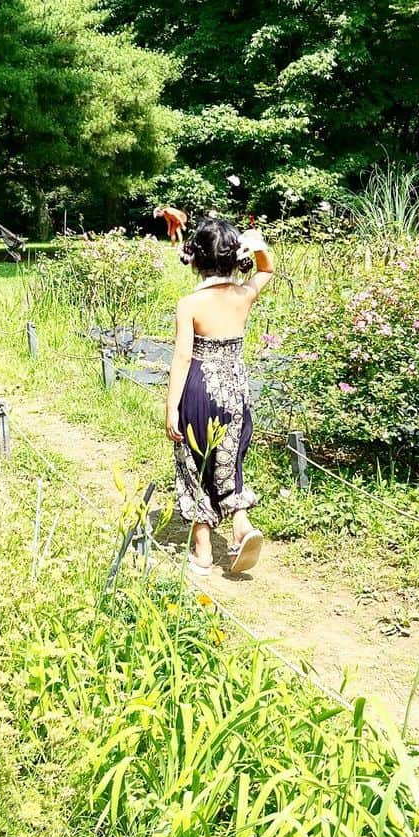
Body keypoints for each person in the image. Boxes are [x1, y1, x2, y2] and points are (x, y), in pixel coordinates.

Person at [166, 218, 274, 577]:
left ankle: (203, 551)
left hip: (198, 388)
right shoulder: (244, 295)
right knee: (230, 461)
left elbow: (182, 358)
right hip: (235, 391)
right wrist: (256, 245)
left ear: (194, 258)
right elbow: (267, 269)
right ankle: (241, 526)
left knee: (193, 464)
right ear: (234, 256)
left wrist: (171, 408)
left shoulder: (190, 304)